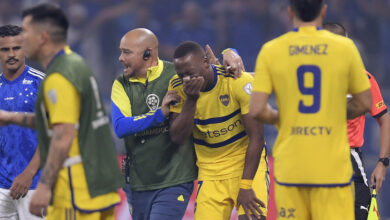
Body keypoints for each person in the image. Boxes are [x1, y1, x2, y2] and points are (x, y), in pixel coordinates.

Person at [249, 0, 373, 219]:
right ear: (323, 11)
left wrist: (284, 117)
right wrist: (331, 114)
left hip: (291, 166)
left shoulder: (271, 50)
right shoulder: (344, 48)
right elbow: (364, 103)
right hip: (333, 168)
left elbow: (257, 109)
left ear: (290, 12)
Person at [0, 3, 123, 219]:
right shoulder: (73, 65)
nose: (21, 42)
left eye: (26, 34)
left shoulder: (57, 78)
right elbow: (54, 121)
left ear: (42, 37)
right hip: (95, 183)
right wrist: (12, 118)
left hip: (75, 186)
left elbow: (62, 133)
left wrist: (43, 185)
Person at [111, 28, 245, 220]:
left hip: (174, 180)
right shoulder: (121, 84)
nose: (120, 58)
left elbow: (235, 75)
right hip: (138, 183)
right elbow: (120, 127)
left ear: (148, 53)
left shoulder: (178, 73)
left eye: (126, 52)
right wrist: (159, 114)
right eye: (120, 51)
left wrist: (231, 52)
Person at [168, 41, 269, 220]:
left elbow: (257, 137)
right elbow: (177, 138)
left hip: (245, 166)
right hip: (210, 172)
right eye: (181, 74)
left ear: (206, 62)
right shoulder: (178, 87)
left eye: (190, 73)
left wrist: (245, 186)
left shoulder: (237, 81)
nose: (186, 80)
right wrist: (191, 100)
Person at [324, 22, 390, 220]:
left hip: (349, 159)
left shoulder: (363, 79)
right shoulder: (309, 78)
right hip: (317, 157)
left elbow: (384, 119)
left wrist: (382, 163)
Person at [0, 24, 43, 220]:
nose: (11, 54)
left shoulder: (42, 84)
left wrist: (28, 174)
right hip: (1, 187)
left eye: (16, 48)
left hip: (35, 185)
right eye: (5, 49)